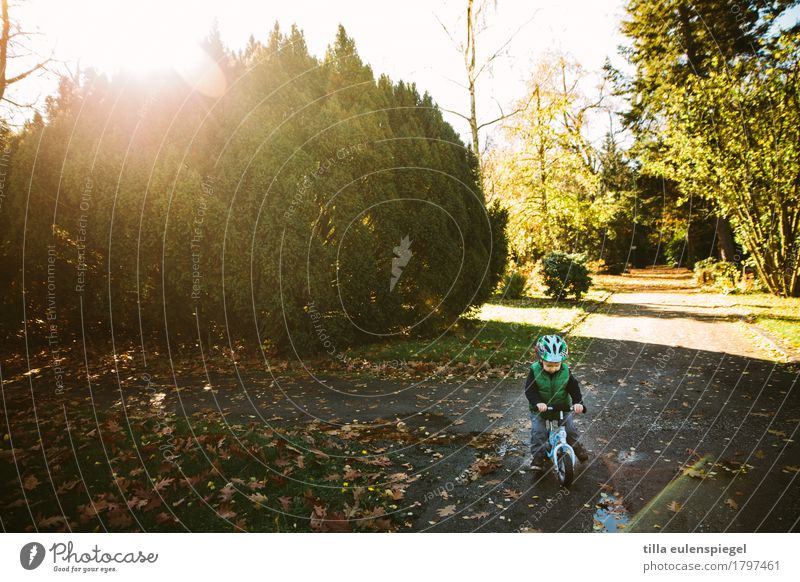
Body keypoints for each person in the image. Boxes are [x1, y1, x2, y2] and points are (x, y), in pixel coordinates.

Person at [524, 334, 589, 470]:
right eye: (549, 365)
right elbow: (530, 390)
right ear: (541, 360)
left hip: (562, 407)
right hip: (541, 409)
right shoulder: (534, 371)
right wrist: (537, 403)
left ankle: (577, 447)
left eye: (556, 365)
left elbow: (574, 388)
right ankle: (538, 457)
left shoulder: (565, 371)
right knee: (539, 432)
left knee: (570, 430)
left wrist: (578, 402)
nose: (553, 368)